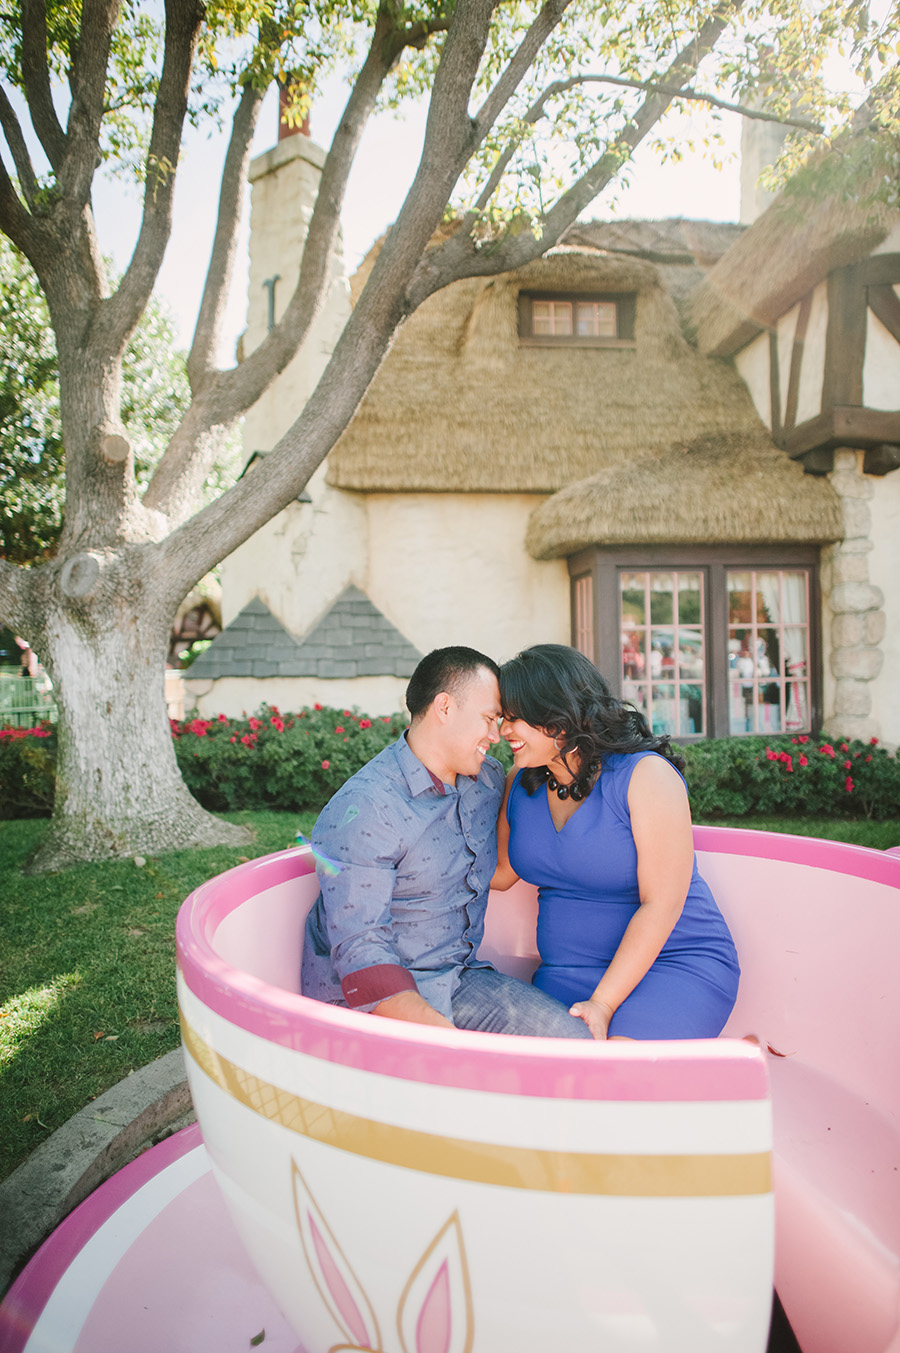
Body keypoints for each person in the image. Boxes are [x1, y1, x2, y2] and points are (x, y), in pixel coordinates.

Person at [301, 646, 592, 1037]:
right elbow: (360, 950)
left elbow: (516, 859)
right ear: (444, 708)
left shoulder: (487, 781)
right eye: (490, 719)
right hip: (369, 1006)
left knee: (572, 1039)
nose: (498, 734)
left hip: (457, 979)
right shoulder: (368, 806)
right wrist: (445, 1042)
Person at [494, 644, 739, 1040]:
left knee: (618, 1072)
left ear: (557, 718)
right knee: (546, 1083)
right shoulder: (520, 783)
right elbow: (500, 873)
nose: (504, 731)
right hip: (568, 974)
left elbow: (663, 903)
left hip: (672, 963)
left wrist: (603, 1003)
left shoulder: (645, 776)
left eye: (515, 718)